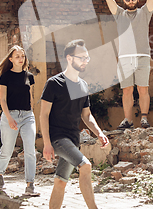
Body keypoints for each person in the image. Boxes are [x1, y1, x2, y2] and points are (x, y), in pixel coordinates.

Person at [40, 39, 109, 209]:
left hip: (73, 141)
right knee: (85, 165)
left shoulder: (83, 86)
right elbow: (43, 115)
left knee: (60, 182)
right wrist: (47, 144)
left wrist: (99, 132)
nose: (85, 61)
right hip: (57, 139)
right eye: (82, 57)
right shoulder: (54, 84)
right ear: (69, 58)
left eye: (87, 58)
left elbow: (86, 115)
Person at [100, 0, 153, 129]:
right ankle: (128, 120)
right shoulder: (119, 14)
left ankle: (144, 119)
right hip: (124, 58)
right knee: (127, 91)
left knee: (143, 89)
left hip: (142, 56)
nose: (131, 1)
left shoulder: (145, 12)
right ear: (123, 1)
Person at [0, 45, 39, 196]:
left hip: (28, 116)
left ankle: (30, 184)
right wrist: (9, 118)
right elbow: (2, 99)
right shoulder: (5, 76)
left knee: (30, 150)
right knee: (7, 149)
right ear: (11, 59)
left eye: (22, 56)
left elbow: (31, 97)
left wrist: (31, 114)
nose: (21, 59)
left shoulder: (29, 76)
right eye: (17, 56)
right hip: (11, 114)